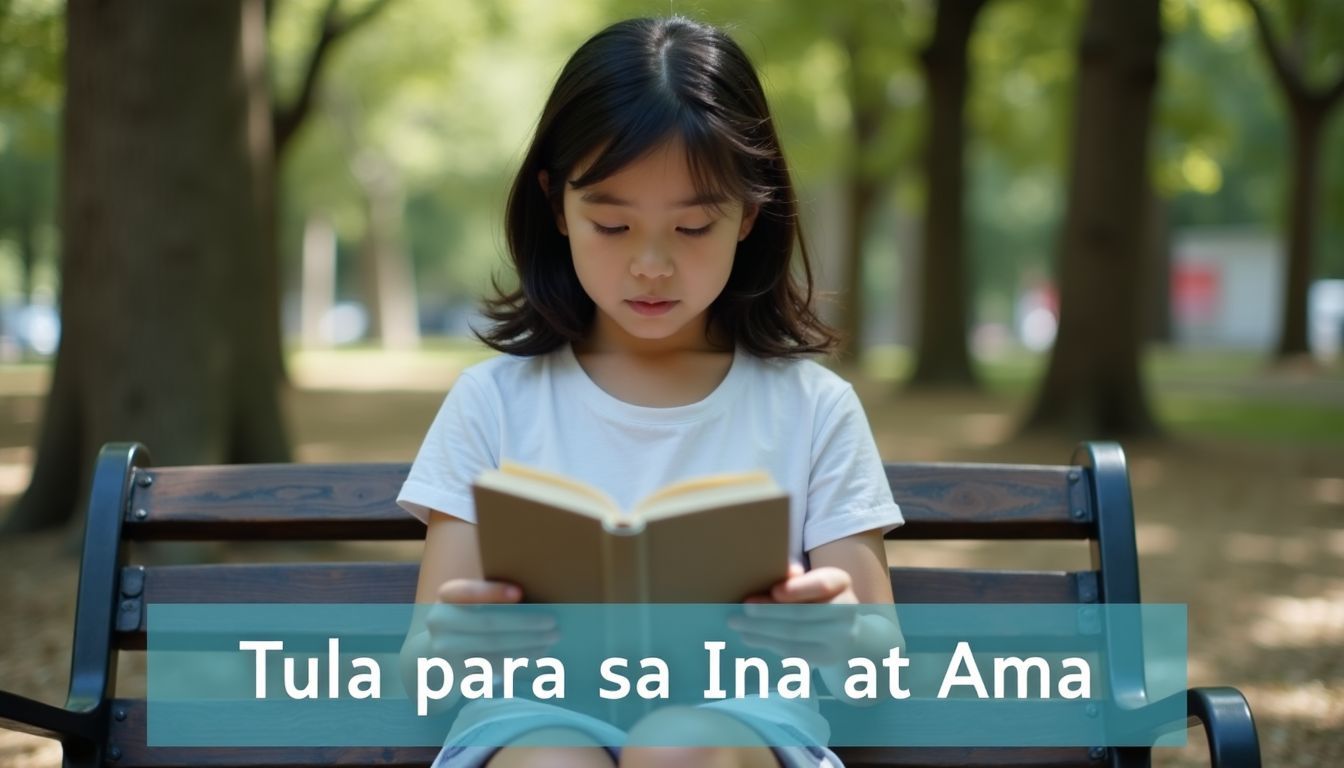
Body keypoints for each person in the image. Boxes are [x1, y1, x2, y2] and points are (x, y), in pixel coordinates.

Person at [397, 16, 904, 768]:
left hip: (742, 727)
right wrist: (452, 645)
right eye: (612, 224)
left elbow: (879, 673)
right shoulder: (493, 403)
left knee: (679, 750)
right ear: (557, 206)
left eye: (694, 227)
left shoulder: (811, 409)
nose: (652, 265)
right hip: (530, 721)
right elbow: (422, 675)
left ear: (749, 215)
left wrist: (841, 635)